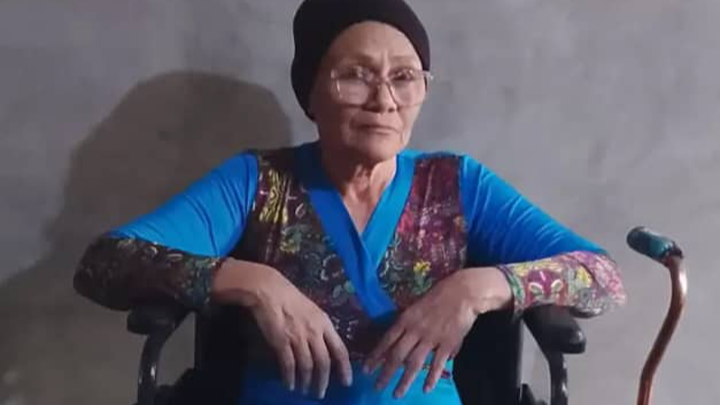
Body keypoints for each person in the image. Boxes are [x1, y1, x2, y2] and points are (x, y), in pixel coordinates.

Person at [73, 0, 627, 404]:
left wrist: (479, 287)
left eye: (404, 77)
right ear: (311, 92)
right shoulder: (258, 181)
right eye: (355, 77)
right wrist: (248, 280)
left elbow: (602, 278)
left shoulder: (457, 184)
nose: (384, 100)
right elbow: (104, 265)